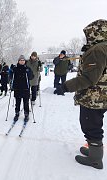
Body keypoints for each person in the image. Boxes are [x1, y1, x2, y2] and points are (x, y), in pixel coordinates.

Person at [56, 19, 107, 169]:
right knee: (93, 124)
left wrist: (65, 87)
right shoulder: (103, 47)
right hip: (101, 96)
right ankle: (93, 151)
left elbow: (89, 78)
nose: (87, 38)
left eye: (89, 34)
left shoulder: (98, 50)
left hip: (94, 98)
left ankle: (95, 159)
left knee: (91, 126)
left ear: (95, 33)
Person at [9, 55, 34, 122]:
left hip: (25, 88)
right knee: (17, 103)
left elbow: (31, 77)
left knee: (26, 103)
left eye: (23, 60)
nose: (22, 61)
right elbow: (10, 76)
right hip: (17, 88)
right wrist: (10, 70)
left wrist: (29, 72)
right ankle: (17, 113)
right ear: (18, 61)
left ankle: (26, 115)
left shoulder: (27, 68)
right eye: (20, 60)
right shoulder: (15, 68)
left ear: (24, 61)